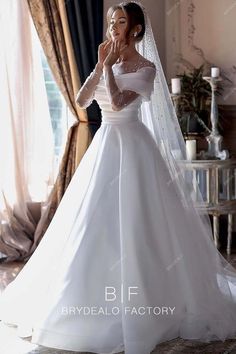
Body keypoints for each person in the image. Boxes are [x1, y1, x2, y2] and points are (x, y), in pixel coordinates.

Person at [0, 1, 236, 354]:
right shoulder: (106, 60)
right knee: (91, 222)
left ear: (136, 29)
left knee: (138, 223)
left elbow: (119, 101)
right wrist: (98, 65)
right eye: (112, 19)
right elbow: (83, 101)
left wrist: (108, 68)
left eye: (121, 20)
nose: (113, 26)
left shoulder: (147, 68)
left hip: (133, 147)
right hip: (104, 146)